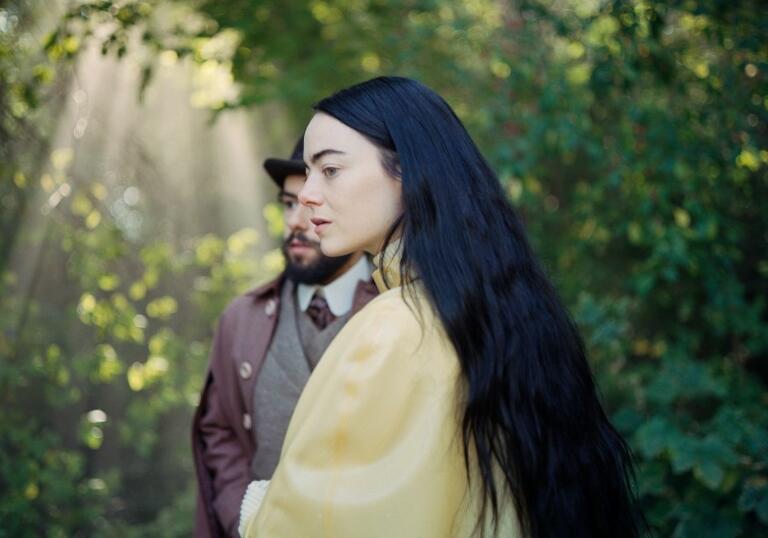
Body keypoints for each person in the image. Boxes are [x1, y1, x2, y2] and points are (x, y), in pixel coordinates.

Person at [240, 77, 642, 538]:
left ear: (407, 171)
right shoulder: (490, 308)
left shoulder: (394, 327)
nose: (307, 194)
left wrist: (255, 510)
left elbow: (323, 523)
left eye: (329, 170)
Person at [191, 138, 378, 538]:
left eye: (311, 204)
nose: (295, 221)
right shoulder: (241, 319)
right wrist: (241, 515)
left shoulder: (402, 313)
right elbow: (219, 430)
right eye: (289, 203)